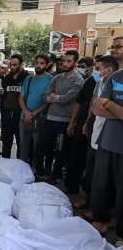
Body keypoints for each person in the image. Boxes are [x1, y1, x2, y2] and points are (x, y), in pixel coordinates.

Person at [90, 46, 123, 246]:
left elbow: (105, 104)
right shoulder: (117, 77)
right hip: (107, 141)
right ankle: (100, 221)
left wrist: (109, 104)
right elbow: (98, 109)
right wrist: (114, 108)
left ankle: (121, 234)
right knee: (101, 185)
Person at [83, 55, 118, 220]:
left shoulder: (115, 85)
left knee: (106, 182)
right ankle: (93, 207)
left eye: (98, 69)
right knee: (94, 176)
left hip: (110, 139)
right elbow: (96, 108)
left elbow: (102, 108)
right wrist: (87, 122)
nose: (94, 72)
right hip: (96, 135)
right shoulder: (101, 83)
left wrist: (108, 106)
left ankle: (104, 214)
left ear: (108, 70)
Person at [46, 50, 84, 183]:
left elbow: (66, 99)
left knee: (60, 149)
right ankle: (47, 171)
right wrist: (56, 98)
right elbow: (46, 96)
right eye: (64, 60)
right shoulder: (57, 77)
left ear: (75, 63)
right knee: (47, 147)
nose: (65, 63)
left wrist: (56, 97)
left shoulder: (78, 80)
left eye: (69, 61)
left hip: (64, 121)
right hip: (50, 118)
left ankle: (56, 175)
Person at [63, 56, 98, 194]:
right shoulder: (89, 82)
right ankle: (72, 186)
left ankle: (89, 193)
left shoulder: (110, 83)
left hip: (97, 129)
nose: (95, 71)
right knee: (76, 157)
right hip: (81, 126)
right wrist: (73, 121)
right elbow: (79, 102)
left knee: (91, 163)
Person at [18, 54, 53, 170]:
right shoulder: (29, 79)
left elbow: (49, 101)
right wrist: (26, 112)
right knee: (23, 146)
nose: (38, 65)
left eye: (42, 63)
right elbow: (21, 98)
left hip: (40, 118)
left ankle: (36, 169)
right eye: (37, 63)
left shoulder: (50, 80)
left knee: (38, 146)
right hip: (25, 117)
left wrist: (35, 112)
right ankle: (22, 169)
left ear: (47, 65)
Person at [0, 54, 28, 158]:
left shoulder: (27, 77)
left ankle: (20, 164)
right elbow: (4, 95)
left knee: (21, 141)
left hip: (20, 114)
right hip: (7, 113)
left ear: (21, 64)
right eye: (10, 65)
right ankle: (4, 162)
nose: (12, 67)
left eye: (15, 65)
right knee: (6, 140)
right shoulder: (7, 78)